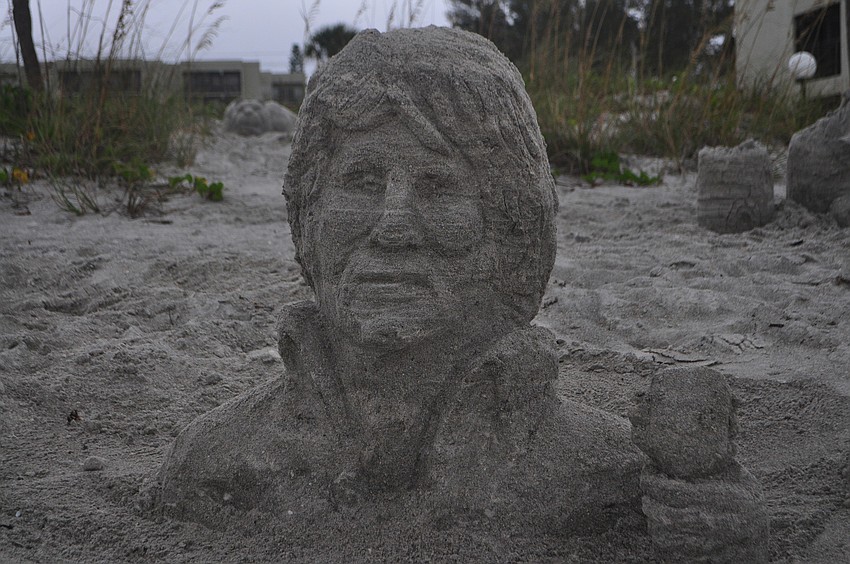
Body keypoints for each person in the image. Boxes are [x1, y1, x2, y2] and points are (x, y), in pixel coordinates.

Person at [158, 26, 643, 538]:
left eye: (438, 187)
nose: (393, 225)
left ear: (510, 224)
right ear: (309, 212)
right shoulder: (216, 463)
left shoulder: (605, 477)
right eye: (361, 182)